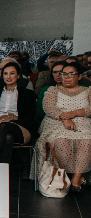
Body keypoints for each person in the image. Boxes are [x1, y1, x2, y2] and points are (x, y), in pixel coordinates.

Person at [36, 62, 91, 191]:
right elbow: (48, 108)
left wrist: (74, 113)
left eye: (71, 74)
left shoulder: (88, 91)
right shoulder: (53, 90)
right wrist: (64, 118)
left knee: (87, 140)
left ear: (80, 76)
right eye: (63, 74)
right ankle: (66, 175)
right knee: (61, 140)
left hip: (82, 122)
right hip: (56, 122)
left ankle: (76, 178)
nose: (66, 77)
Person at [0, 62, 38, 164]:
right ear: (2, 75)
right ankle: (5, 174)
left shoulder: (28, 94)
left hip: (20, 127)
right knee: (8, 137)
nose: (8, 77)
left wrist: (10, 122)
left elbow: (30, 119)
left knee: (4, 126)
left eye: (12, 73)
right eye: (5, 73)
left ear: (18, 75)